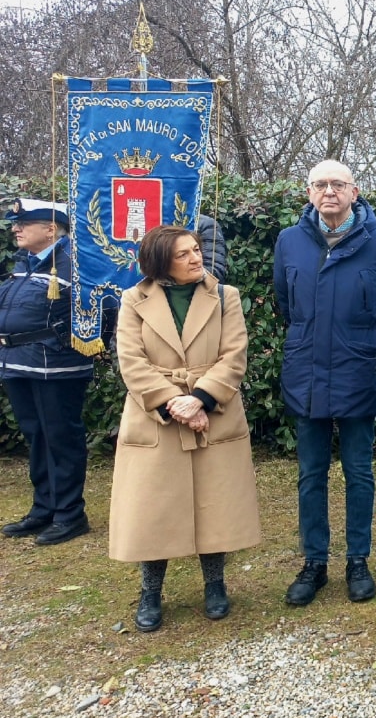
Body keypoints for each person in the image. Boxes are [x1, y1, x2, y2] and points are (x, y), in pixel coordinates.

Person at [108, 226, 261, 631]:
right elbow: (131, 361)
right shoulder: (133, 300)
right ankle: (150, 592)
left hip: (214, 413)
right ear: (160, 262)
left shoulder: (225, 297)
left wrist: (202, 399)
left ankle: (215, 585)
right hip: (155, 416)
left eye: (197, 250)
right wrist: (173, 401)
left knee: (216, 506)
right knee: (152, 510)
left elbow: (234, 355)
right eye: (184, 254)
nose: (197, 258)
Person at [274, 160, 376, 607]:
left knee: (359, 473)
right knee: (310, 475)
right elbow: (284, 304)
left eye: (337, 184)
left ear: (355, 191)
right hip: (306, 373)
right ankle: (314, 563)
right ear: (308, 193)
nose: (328, 191)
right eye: (320, 185)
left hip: (358, 370)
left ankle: (357, 560)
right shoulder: (289, 241)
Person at [0, 199, 94, 546]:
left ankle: (70, 514)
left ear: (50, 228)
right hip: (17, 362)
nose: (15, 228)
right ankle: (44, 509)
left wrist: (62, 345)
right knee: (36, 437)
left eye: (24, 223)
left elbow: (98, 314)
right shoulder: (23, 264)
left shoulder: (74, 264)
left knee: (61, 439)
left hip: (56, 366)